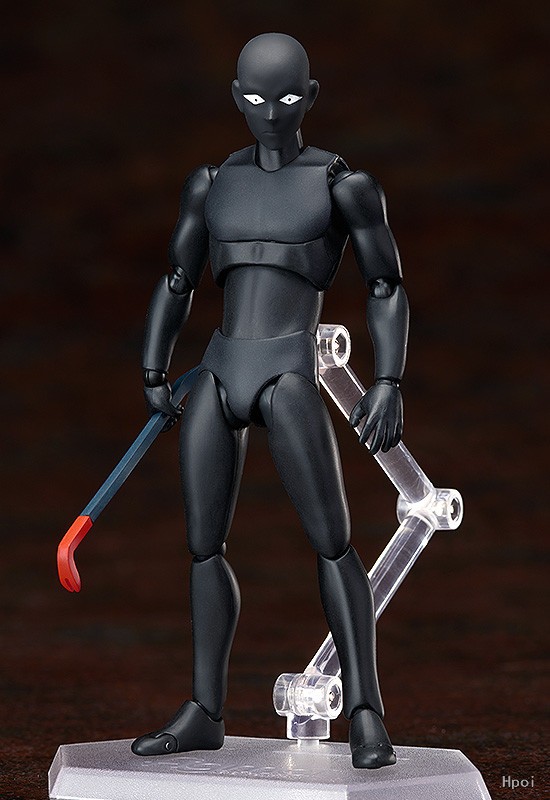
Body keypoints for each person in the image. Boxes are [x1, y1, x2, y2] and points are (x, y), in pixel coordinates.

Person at [132, 32, 409, 769]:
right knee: (203, 548)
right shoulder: (212, 183)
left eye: (287, 98)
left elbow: (386, 284)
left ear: (310, 97)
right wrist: (155, 367)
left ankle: (366, 711)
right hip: (219, 371)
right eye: (255, 98)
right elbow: (179, 280)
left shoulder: (342, 185)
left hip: (289, 372)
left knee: (333, 541)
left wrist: (388, 381)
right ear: (235, 97)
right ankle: (204, 710)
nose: (272, 113)